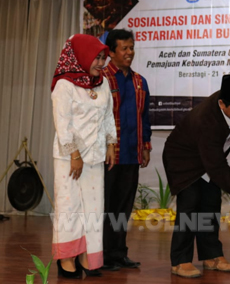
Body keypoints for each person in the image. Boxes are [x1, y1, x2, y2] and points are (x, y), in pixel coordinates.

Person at [163, 74, 230, 278]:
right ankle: (180, 260)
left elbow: (215, 163)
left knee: (210, 202)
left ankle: (212, 256)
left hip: (205, 157)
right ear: (222, 104)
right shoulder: (207, 121)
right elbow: (218, 167)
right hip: (182, 159)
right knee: (190, 205)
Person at [51, 34, 117, 278]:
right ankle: (66, 258)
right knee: (70, 207)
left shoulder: (102, 83)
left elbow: (108, 114)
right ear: (81, 56)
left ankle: (85, 255)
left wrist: (111, 143)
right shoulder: (64, 85)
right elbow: (62, 123)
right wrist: (74, 154)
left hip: (96, 154)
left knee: (93, 207)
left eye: (103, 57)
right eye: (96, 57)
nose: (100, 63)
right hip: (70, 157)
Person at [101, 29, 152, 270]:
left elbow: (145, 118)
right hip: (108, 156)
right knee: (106, 208)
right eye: (124, 48)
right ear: (111, 52)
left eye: (131, 47)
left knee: (123, 207)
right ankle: (102, 255)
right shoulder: (101, 79)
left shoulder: (140, 81)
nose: (130, 52)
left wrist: (145, 146)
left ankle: (119, 253)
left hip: (131, 154)